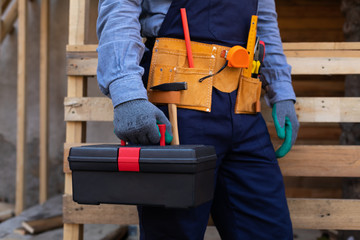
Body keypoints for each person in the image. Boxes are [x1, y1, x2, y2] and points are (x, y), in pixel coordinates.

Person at [96, 0, 299, 239]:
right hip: (177, 108)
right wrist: (127, 95)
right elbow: (120, 8)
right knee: (173, 232)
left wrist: (281, 90)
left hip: (245, 109)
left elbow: (263, 21)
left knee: (268, 230)